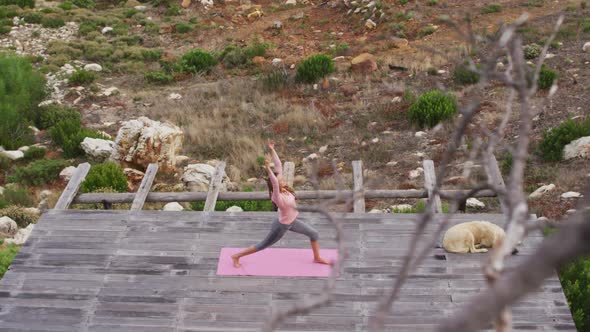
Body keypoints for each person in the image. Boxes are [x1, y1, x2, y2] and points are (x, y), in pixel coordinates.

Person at [231, 140, 330, 268]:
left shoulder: (284, 189)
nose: (283, 181)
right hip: (282, 227)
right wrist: (267, 169)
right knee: (263, 245)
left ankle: (317, 258)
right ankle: (236, 256)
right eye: (280, 180)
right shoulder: (276, 196)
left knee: (314, 234)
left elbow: (278, 166)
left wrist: (272, 150)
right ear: (274, 185)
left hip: (292, 222)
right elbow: (275, 183)